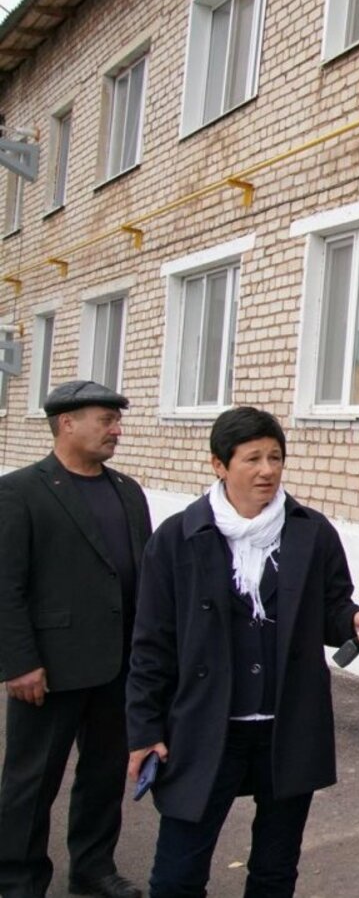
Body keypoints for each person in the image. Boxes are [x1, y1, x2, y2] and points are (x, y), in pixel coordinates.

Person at [125, 407, 359, 898]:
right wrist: (144, 730)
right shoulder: (178, 538)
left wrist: (352, 620)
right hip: (205, 728)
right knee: (177, 876)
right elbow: (151, 644)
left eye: (275, 457)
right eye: (252, 458)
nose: (268, 470)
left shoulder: (311, 532)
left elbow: (332, 605)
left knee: (274, 870)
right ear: (219, 465)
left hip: (286, 727)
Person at [0, 381, 151, 898]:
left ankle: (93, 868)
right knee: (31, 782)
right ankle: (17, 879)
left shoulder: (127, 491)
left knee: (104, 775)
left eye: (117, 420)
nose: (117, 430)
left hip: (119, 664)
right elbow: (6, 585)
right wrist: (19, 662)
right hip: (50, 668)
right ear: (67, 423)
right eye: (106, 420)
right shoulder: (21, 491)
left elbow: (142, 573)